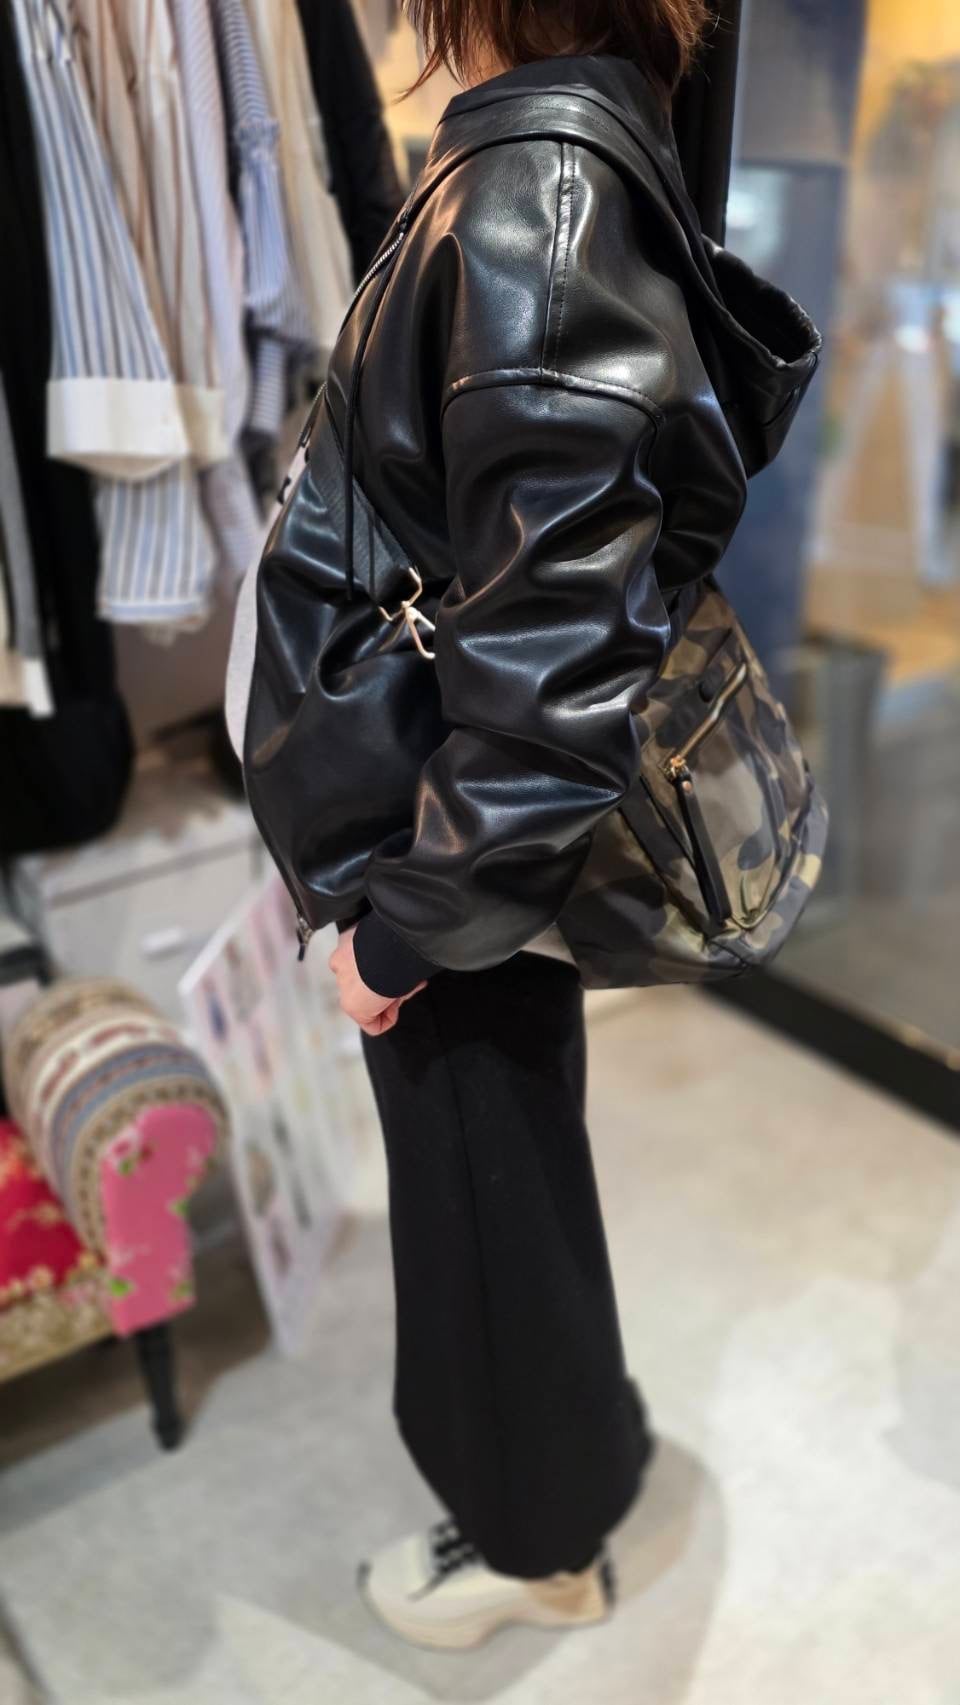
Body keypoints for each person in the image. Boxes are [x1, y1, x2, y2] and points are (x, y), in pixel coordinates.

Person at [237, 0, 820, 1652]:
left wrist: (408, 926)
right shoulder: (575, 147)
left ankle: (537, 1542)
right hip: (446, 818)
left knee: (481, 1206)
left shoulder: (534, 195)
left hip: (441, 839)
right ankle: (571, 1454)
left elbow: (552, 665)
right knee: (509, 1183)